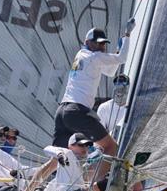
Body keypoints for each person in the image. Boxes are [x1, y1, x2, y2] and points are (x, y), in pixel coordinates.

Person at [53, 18, 135, 157]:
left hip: (62, 111)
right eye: (98, 43)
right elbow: (122, 59)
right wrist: (127, 35)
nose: (102, 46)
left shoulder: (82, 55)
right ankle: (97, 179)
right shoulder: (94, 57)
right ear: (87, 42)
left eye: (103, 43)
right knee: (110, 146)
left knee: (60, 157)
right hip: (76, 111)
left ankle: (37, 178)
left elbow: (110, 72)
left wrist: (116, 51)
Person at [23, 132, 113, 191]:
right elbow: (47, 148)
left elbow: (53, 183)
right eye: (81, 145)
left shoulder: (81, 164)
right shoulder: (67, 154)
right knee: (105, 184)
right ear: (70, 146)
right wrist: (59, 154)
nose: (84, 148)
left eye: (86, 145)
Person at [96, 73, 129, 140]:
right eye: (117, 84)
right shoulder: (104, 107)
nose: (119, 91)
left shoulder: (133, 107)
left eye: (123, 87)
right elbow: (99, 135)